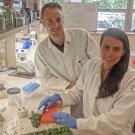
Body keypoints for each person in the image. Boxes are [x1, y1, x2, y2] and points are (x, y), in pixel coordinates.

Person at [38, 28, 135, 135]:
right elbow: (78, 91)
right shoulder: (91, 65)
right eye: (106, 47)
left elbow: (116, 121)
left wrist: (77, 123)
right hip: (89, 130)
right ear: (100, 46)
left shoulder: (130, 80)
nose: (110, 53)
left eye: (116, 49)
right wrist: (59, 97)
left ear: (123, 52)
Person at [34, 2, 99, 90]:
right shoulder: (41, 51)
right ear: (43, 23)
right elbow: (44, 78)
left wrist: (88, 81)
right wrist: (68, 85)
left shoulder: (82, 36)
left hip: (89, 89)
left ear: (63, 19)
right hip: (65, 94)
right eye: (50, 21)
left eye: (58, 20)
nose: (55, 25)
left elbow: (98, 61)